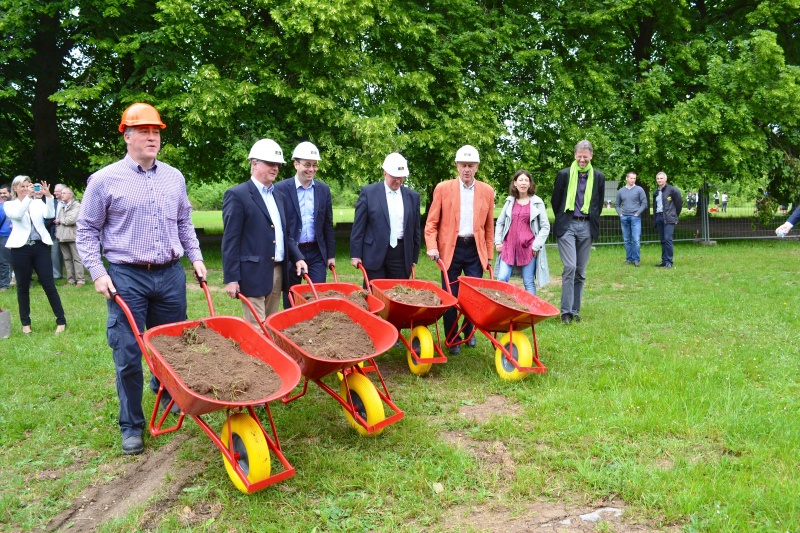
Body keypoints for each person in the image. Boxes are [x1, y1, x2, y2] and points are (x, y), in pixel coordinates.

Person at [76, 102, 207, 456]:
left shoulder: (174, 177)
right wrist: (98, 273)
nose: (152, 137)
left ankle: (167, 392)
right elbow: (86, 230)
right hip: (125, 277)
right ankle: (131, 426)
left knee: (172, 346)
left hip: (169, 275)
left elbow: (184, 222)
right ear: (127, 135)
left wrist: (195, 257)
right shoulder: (104, 180)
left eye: (156, 132)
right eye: (144, 131)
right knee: (128, 352)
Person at [222, 139, 307, 326]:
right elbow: (230, 241)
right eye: (270, 163)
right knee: (256, 328)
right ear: (254, 163)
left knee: (270, 325)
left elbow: (286, 235)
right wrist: (231, 278)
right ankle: (255, 356)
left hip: (277, 272)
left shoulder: (279, 196)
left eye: (276, 164)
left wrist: (298, 257)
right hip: (252, 274)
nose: (275, 168)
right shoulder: (238, 195)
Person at [424, 145, 495, 354]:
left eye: (471, 165)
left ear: (477, 167)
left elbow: (489, 227)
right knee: (450, 295)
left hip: (474, 249)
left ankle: (469, 332)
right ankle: (452, 337)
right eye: (463, 165)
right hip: (450, 250)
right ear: (457, 166)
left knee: (473, 296)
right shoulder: (443, 188)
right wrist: (431, 247)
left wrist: (489, 256)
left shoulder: (487, 191)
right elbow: (431, 223)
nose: (467, 169)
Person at [273, 141, 335, 308]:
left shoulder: (323, 189)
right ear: (296, 164)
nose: (311, 169)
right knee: (291, 298)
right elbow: (280, 227)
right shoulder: (280, 189)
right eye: (307, 164)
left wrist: (330, 255)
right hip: (292, 252)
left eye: (315, 165)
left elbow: (328, 225)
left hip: (316, 252)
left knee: (317, 296)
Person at [551, 140, 606, 324]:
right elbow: (555, 200)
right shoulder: (564, 174)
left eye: (585, 156)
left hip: (586, 226)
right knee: (570, 267)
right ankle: (565, 312)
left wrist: (591, 223)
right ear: (575, 155)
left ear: (591, 156)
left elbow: (598, 203)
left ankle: (575, 310)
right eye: (579, 156)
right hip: (567, 225)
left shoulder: (598, 177)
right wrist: (562, 218)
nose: (582, 159)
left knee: (581, 271)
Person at [3, 176, 66, 334]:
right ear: (15, 188)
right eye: (22, 186)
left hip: (40, 247)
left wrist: (49, 197)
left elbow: (50, 215)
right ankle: (26, 324)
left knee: (48, 284)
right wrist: (27, 199)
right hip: (20, 249)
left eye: (28, 186)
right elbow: (17, 215)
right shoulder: (9, 204)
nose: (26, 189)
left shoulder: (37, 202)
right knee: (22, 287)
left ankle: (61, 321)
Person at [350, 152, 421, 281]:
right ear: (385, 173)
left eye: (401, 177)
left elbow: (415, 229)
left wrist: (414, 256)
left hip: (401, 254)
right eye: (394, 176)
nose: (398, 180)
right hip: (374, 253)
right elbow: (358, 227)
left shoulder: (413, 197)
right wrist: (355, 255)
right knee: (374, 294)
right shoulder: (368, 193)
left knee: (398, 294)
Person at [494, 169, 550, 294]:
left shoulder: (537, 202)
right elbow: (500, 223)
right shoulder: (510, 201)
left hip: (529, 248)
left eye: (526, 180)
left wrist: (536, 245)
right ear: (515, 183)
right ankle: (499, 309)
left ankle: (531, 312)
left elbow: (545, 226)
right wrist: (498, 242)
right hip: (508, 246)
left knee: (528, 281)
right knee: (502, 277)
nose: (523, 183)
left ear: (530, 184)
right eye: (520, 180)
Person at [614, 171, 648, 267]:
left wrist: (637, 213)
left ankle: (636, 260)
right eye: (631, 178)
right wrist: (620, 214)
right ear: (626, 178)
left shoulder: (639, 190)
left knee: (636, 239)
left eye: (634, 178)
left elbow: (644, 203)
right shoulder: (621, 191)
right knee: (626, 240)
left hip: (635, 218)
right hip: (624, 217)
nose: (633, 180)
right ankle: (629, 259)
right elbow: (616, 205)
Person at [54, 187, 84, 286]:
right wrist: (61, 220)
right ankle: (70, 280)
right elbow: (61, 220)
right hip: (62, 236)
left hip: (73, 236)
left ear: (70, 195)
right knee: (67, 259)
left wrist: (60, 220)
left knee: (77, 258)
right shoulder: (62, 206)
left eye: (64, 193)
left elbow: (71, 220)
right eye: (61, 193)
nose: (61, 195)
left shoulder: (77, 206)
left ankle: (80, 280)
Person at [652, 171, 683, 268]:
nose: (659, 180)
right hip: (659, 217)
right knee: (662, 240)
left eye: (661, 178)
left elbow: (679, 203)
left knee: (668, 239)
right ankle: (664, 261)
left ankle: (669, 261)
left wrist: (675, 216)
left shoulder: (672, 190)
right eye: (658, 178)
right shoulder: (656, 192)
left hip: (669, 218)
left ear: (666, 179)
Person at [50, 183, 64, 279]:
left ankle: (74, 276)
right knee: (54, 253)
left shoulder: (69, 202)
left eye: (56, 191)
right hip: (54, 231)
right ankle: (57, 274)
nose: (54, 193)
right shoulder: (53, 202)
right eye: (54, 191)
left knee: (69, 255)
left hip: (67, 232)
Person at [0, 184, 12, 290]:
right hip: (2, 235)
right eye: (1, 193)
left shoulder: (14, 205)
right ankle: (3, 284)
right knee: (3, 261)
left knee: (5, 261)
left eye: (5, 193)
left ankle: (4, 285)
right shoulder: (0, 206)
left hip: (9, 235)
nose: (2, 195)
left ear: (10, 193)